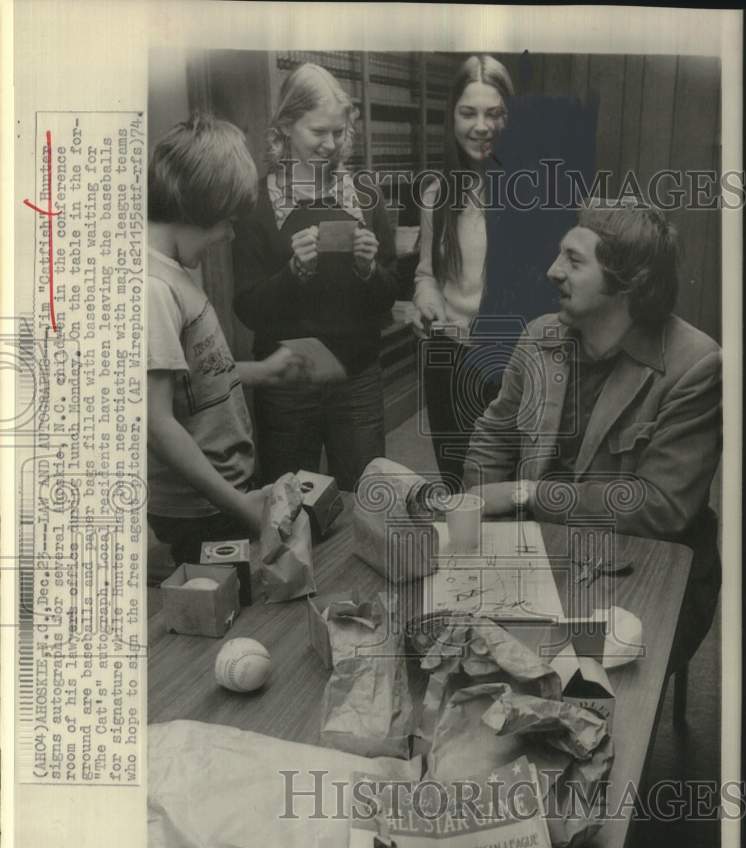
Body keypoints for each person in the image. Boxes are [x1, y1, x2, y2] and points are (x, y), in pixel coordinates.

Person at [464, 201, 722, 666]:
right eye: (560, 254)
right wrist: (484, 526)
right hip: (540, 553)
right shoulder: (540, 336)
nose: (552, 271)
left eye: (574, 261)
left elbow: (661, 507)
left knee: (585, 687)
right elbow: (494, 435)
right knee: (475, 661)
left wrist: (525, 494)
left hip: (640, 568)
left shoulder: (696, 364)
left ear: (630, 281)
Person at [147, 114, 307, 566]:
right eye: (226, 222)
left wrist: (262, 371)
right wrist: (239, 507)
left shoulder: (175, 275)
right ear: (196, 208)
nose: (230, 235)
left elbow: (192, 378)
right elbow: (157, 424)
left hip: (220, 494)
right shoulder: (153, 288)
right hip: (201, 507)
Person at [232, 63, 398, 491]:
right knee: (290, 503)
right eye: (317, 132)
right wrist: (293, 274)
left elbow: (390, 293)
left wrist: (368, 270)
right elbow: (247, 307)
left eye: (339, 133)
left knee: (367, 496)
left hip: (357, 374)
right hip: (287, 383)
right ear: (286, 125)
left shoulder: (364, 194)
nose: (331, 145)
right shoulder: (256, 203)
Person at [413, 54, 514, 489]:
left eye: (494, 114)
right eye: (468, 112)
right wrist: (425, 297)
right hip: (448, 359)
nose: (481, 126)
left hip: (508, 358)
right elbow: (426, 273)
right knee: (456, 482)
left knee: (504, 486)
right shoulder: (436, 194)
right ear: (451, 117)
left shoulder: (535, 193)